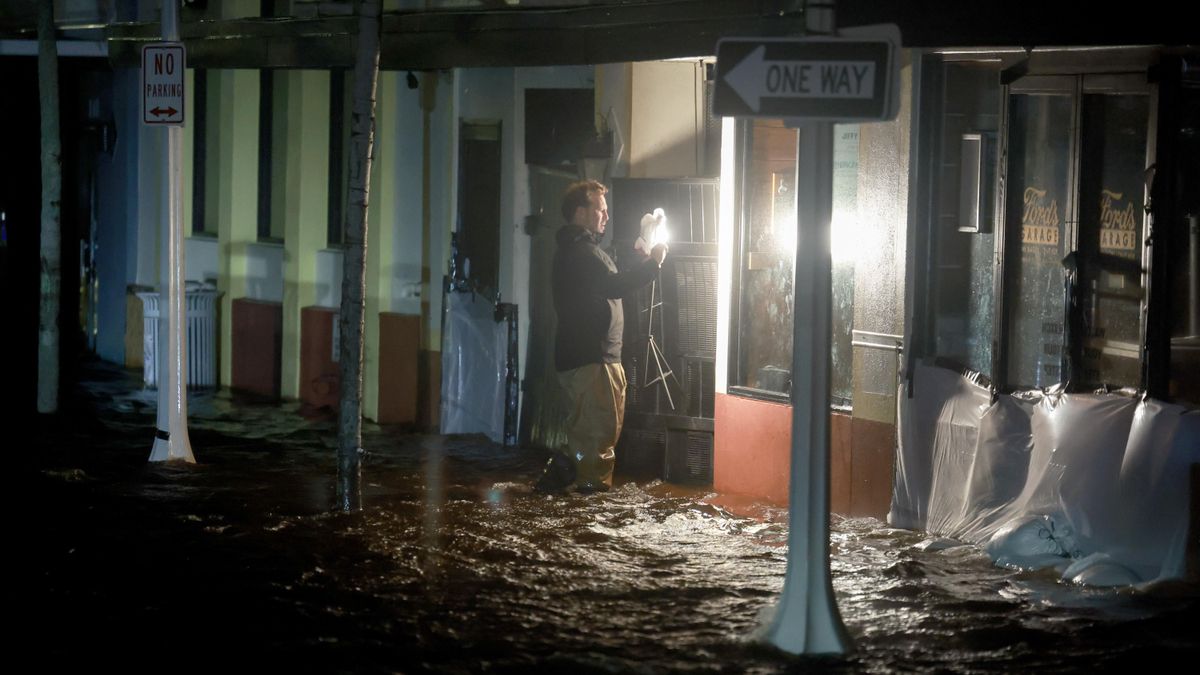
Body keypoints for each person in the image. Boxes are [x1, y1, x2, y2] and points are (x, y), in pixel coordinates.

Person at [535, 180, 668, 493]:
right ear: (581, 212)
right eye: (600, 209)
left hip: (594, 359)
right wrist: (653, 263)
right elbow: (615, 285)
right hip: (592, 360)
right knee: (597, 441)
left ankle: (552, 488)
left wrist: (642, 259)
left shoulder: (581, 252)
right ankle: (590, 518)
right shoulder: (580, 253)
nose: (606, 216)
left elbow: (610, 281)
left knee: (586, 435)